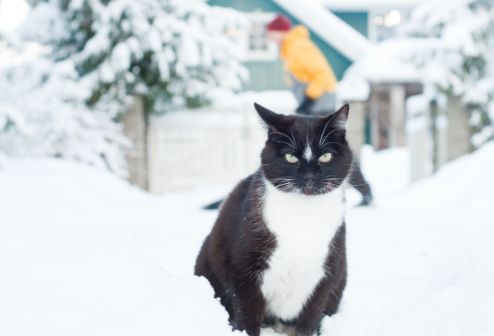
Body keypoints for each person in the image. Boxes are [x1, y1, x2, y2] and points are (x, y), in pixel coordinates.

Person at [266, 15, 374, 206]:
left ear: (280, 31)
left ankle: (361, 190)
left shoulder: (299, 47)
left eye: (271, 32)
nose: (269, 37)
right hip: (315, 104)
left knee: (328, 149)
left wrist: (308, 99)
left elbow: (321, 76)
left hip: (319, 103)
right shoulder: (291, 48)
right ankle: (359, 190)